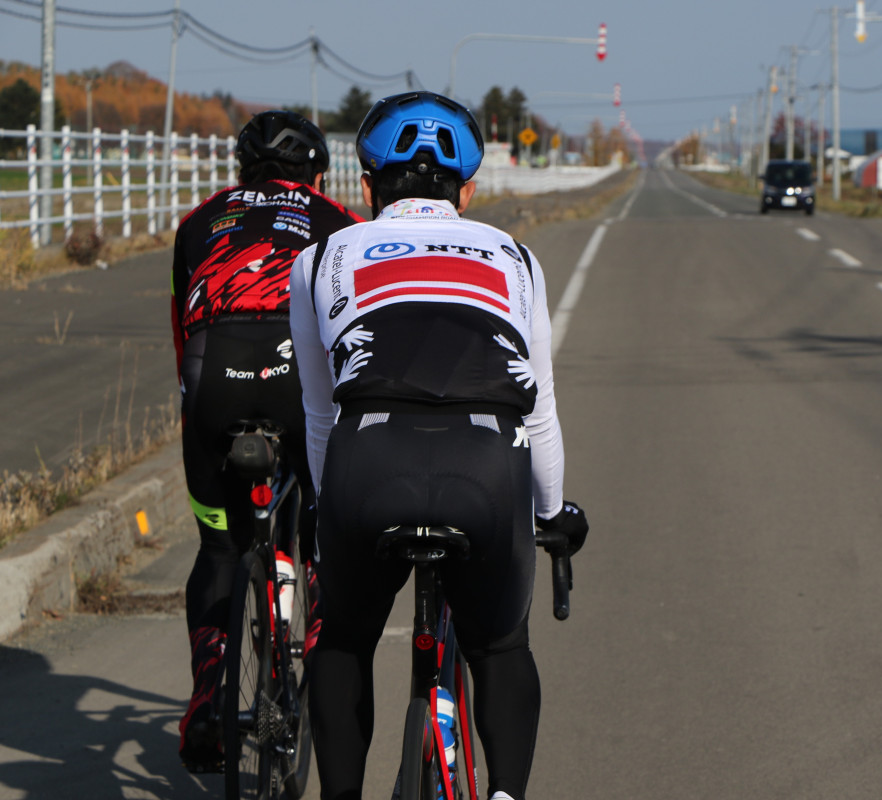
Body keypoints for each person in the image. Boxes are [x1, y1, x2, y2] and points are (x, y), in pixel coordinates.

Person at [288, 91, 589, 800]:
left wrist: (327, 513)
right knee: (500, 645)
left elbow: (320, 412)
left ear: (363, 188)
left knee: (343, 641)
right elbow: (539, 411)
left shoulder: (323, 256)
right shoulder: (516, 256)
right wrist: (552, 515)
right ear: (470, 191)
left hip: (368, 459)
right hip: (487, 465)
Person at [170, 109, 363, 772]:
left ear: (241, 170)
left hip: (210, 370)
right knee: (321, 515)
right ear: (317, 172)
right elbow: (352, 335)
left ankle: (205, 697)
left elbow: (180, 335)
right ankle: (313, 619)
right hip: (293, 372)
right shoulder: (338, 220)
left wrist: (202, 411)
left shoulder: (199, 220)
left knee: (219, 545)